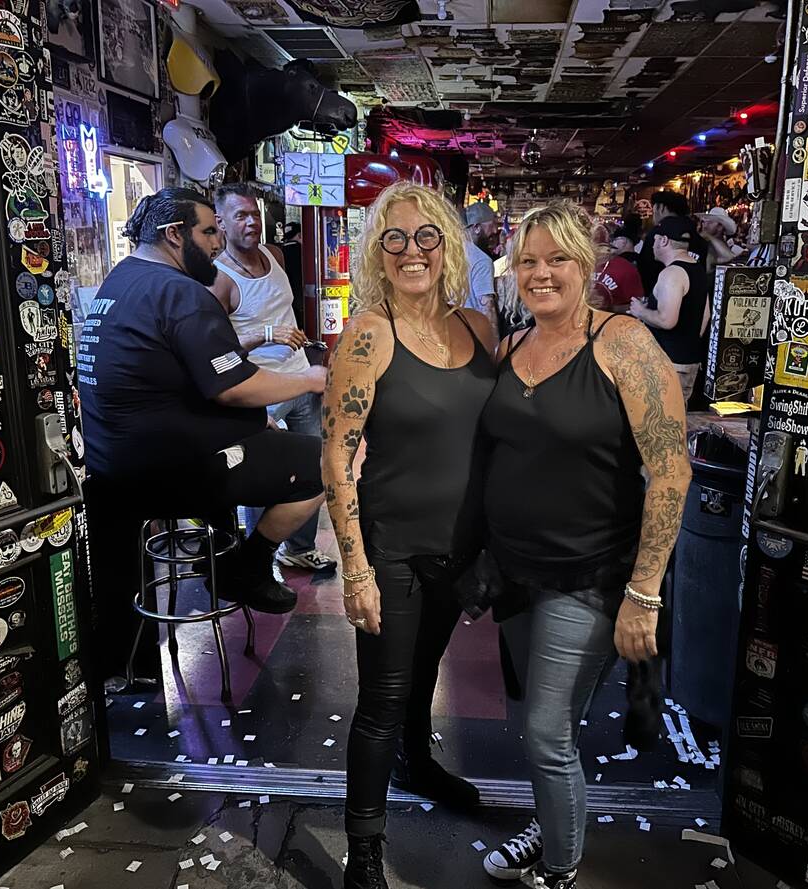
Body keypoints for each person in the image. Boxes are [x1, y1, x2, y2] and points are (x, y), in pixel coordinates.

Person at [480, 200, 691, 889]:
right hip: (515, 571)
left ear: (589, 264)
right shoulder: (511, 346)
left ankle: (560, 868)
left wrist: (644, 593)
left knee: (546, 732)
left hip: (590, 575)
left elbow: (671, 471)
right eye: (527, 261)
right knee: (548, 724)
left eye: (557, 259)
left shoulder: (623, 341)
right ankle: (551, 823)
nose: (540, 274)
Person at [323, 182, 497, 889]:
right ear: (378, 251)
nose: (411, 250)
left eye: (427, 236)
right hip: (391, 544)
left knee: (424, 675)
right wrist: (355, 569)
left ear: (448, 247)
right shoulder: (370, 332)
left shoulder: (478, 327)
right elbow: (336, 457)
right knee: (382, 699)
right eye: (394, 238)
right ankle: (363, 852)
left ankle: (417, 763)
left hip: (459, 549)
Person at [78, 187, 327, 613]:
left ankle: (223, 556)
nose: (217, 242)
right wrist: (310, 379)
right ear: (175, 234)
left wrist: (253, 421)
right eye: (210, 232)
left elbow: (178, 378)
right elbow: (234, 386)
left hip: (114, 466)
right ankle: (247, 566)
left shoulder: (122, 278)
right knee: (326, 463)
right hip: (166, 471)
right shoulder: (180, 292)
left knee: (269, 436)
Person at [210, 185, 336, 574]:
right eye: (241, 216)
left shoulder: (274, 254)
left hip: (302, 379)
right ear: (221, 223)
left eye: (255, 214)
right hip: (261, 389)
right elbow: (216, 351)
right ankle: (257, 562)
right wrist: (266, 334)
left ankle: (299, 548)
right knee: (263, 473)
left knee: (316, 466)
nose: (251, 222)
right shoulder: (219, 280)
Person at [628, 215, 711, 404]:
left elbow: (667, 320)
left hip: (667, 363)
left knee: (658, 416)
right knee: (676, 415)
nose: (652, 245)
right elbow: (705, 315)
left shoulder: (671, 273)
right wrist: (686, 341)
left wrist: (640, 311)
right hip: (687, 361)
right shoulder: (697, 270)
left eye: (655, 240)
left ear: (664, 240)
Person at [463, 202, 500, 339]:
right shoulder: (481, 260)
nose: (495, 231)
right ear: (477, 228)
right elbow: (487, 308)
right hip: (473, 337)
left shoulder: (449, 253)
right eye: (492, 225)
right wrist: (494, 345)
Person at [590, 223, 643, 313]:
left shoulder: (625, 268)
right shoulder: (579, 265)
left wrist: (608, 308)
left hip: (612, 319)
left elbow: (638, 306)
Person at [281, 221, 305, 329]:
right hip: (302, 301)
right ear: (300, 235)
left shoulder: (279, 252)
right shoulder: (306, 252)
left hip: (287, 302)